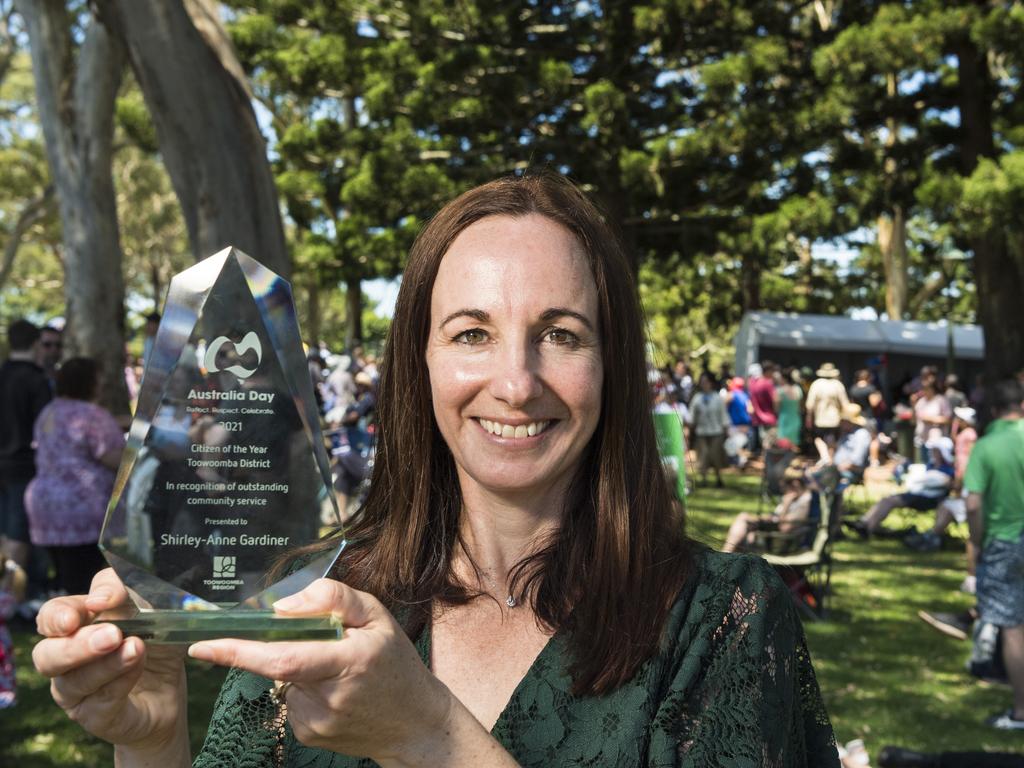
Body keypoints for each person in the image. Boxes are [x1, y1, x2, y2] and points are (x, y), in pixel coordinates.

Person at [32, 174, 838, 766]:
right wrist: (154, 740)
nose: (516, 383)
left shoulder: (725, 620)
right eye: (471, 334)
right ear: (418, 364)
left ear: (613, 364)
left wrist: (429, 738)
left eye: (560, 333)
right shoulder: (320, 599)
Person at [24, 358, 124, 596]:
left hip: (44, 504)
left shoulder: (48, 412)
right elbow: (115, 459)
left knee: (65, 575)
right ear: (88, 383)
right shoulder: (91, 415)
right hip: (81, 507)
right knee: (85, 582)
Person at [963, 379, 1024, 730]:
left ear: (995, 411)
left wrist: (977, 540)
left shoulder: (986, 446)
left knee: (1013, 625)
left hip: (1004, 539)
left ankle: (1020, 711)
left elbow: (973, 503)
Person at [0, 319, 53, 573]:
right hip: (24, 466)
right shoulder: (36, 380)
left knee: (6, 530)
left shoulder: (3, 374)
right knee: (18, 533)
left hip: (5, 465)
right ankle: (10, 598)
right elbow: (46, 428)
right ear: (35, 344)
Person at [904, 406, 979, 555]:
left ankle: (932, 538)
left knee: (947, 506)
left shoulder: (967, 436)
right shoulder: (967, 434)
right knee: (946, 505)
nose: (956, 421)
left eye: (959, 419)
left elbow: (964, 464)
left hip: (967, 486)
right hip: (965, 483)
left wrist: (958, 484)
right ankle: (932, 537)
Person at [850, 436, 955, 537]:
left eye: (936, 450)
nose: (933, 453)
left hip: (931, 498)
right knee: (886, 500)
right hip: (916, 494)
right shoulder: (930, 465)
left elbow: (949, 484)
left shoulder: (949, 468)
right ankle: (867, 524)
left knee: (889, 501)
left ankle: (867, 526)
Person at [722, 467, 813, 553]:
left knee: (744, 524)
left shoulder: (804, 503)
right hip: (772, 531)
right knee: (744, 519)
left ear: (795, 484)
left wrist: (785, 505)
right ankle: (727, 556)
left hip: (782, 540)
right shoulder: (795, 498)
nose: (784, 492)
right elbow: (777, 517)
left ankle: (725, 555)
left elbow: (785, 528)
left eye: (785, 488)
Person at [689, 371, 729, 488]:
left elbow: (723, 416)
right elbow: (692, 416)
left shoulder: (717, 398)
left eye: (706, 382)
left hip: (716, 432)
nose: (704, 384)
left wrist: (726, 431)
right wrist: (690, 430)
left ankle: (719, 478)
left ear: (711, 383)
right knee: (703, 456)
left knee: (716, 456)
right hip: (701, 432)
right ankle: (703, 479)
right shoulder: (697, 398)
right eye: (702, 382)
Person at [805, 363, 849, 445]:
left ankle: (825, 456)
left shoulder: (816, 384)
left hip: (820, 419)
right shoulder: (838, 384)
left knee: (819, 439)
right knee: (832, 440)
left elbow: (810, 404)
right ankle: (830, 456)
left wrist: (809, 418)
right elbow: (845, 404)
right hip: (835, 419)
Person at [747, 362, 777, 456]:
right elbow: (775, 400)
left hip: (758, 418)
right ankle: (769, 465)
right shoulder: (767, 383)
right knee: (769, 444)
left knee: (765, 442)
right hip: (769, 418)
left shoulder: (752, 384)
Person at [775, 365, 803, 448]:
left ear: (784, 378)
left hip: (784, 419)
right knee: (793, 444)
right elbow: (800, 406)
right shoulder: (798, 389)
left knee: (782, 444)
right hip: (795, 418)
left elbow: (776, 408)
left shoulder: (779, 391)